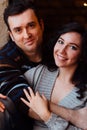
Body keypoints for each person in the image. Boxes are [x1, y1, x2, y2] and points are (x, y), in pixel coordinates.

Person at [0, 0, 87, 129]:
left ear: (41, 25)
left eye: (31, 25)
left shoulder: (55, 50)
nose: (27, 34)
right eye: (18, 30)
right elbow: (25, 102)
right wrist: (76, 117)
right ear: (11, 36)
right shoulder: (5, 60)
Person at [21, 22, 87, 130]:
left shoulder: (84, 95)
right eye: (61, 42)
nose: (62, 51)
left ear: (82, 55)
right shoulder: (40, 73)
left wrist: (47, 116)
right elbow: (10, 88)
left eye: (73, 47)